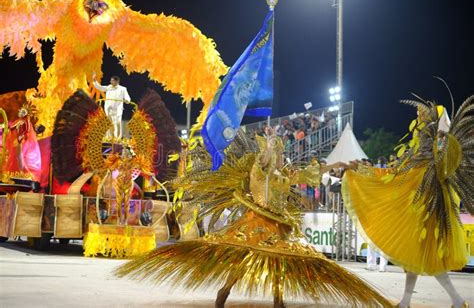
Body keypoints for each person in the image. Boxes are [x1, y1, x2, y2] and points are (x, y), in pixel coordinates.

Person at [116, 130, 391, 308]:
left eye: (282, 151)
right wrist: (269, 146)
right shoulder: (261, 172)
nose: (281, 155)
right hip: (256, 223)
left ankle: (278, 301)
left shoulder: (285, 173)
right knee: (243, 261)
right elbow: (262, 162)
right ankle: (224, 293)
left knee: (279, 264)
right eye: (278, 152)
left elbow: (312, 172)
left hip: (279, 225)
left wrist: (341, 165)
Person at [342, 98, 474, 308]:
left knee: (428, 257)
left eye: (421, 113)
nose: (417, 115)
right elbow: (397, 171)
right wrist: (363, 171)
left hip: (428, 201)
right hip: (417, 198)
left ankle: (453, 300)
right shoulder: (419, 146)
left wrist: (441, 134)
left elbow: (442, 148)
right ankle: (410, 301)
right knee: (414, 256)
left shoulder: (436, 140)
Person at [92, 73, 131, 139]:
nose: (110, 82)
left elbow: (127, 97)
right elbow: (100, 87)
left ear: (117, 81)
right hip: (108, 109)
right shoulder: (108, 87)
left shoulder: (123, 89)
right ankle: (109, 138)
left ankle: (117, 138)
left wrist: (127, 100)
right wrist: (94, 80)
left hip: (117, 109)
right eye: (111, 80)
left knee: (117, 122)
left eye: (112, 80)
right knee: (109, 123)